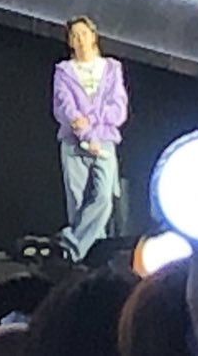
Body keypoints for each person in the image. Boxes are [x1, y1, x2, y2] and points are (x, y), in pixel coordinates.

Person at [52, 16, 129, 262]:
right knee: (77, 203)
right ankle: (91, 260)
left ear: (94, 37)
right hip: (74, 144)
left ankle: (71, 248)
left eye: (83, 34)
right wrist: (86, 134)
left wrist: (92, 123)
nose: (80, 40)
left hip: (104, 142)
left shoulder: (111, 68)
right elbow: (65, 109)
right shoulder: (63, 72)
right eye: (74, 36)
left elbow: (118, 110)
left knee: (103, 198)